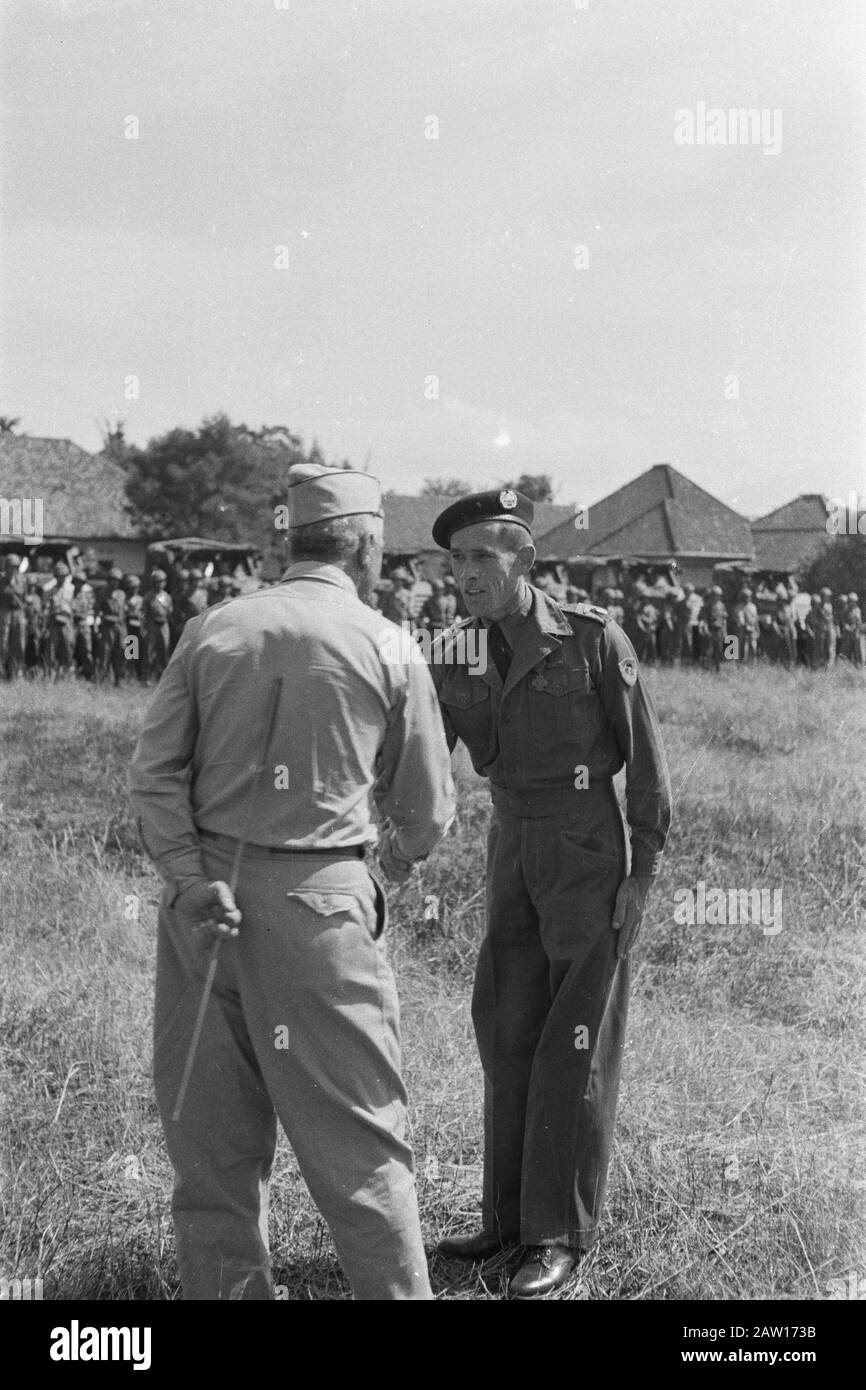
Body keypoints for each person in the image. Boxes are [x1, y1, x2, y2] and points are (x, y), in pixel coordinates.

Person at [129, 464, 455, 1301]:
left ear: (292, 539)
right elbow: (426, 809)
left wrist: (188, 876)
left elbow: (155, 774)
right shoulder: (387, 642)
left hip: (204, 908)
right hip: (322, 907)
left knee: (212, 1153)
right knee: (360, 1149)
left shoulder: (214, 629)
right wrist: (385, 869)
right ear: (369, 543)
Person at [426, 488, 671, 1298]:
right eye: (456, 560)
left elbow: (646, 765)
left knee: (573, 1039)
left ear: (524, 561)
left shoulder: (594, 639)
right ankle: (504, 1220)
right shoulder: (454, 652)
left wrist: (640, 874)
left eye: (482, 559)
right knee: (505, 1027)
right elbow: (418, 755)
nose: (466, 575)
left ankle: (557, 1234)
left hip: (585, 850)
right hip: (512, 848)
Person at [96, 568, 128, 685]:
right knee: (105, 652)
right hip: (107, 626)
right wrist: (96, 626)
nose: (115, 582)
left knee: (121, 651)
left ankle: (119, 679)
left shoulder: (122, 594)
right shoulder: (102, 593)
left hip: (120, 626)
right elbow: (97, 611)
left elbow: (124, 611)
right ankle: (101, 678)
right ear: (108, 580)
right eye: (112, 580)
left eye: (117, 580)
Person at [0, 553, 27, 679]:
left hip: (18, 613)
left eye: (15, 567)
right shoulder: (1, 580)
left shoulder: (22, 580)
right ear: (5, 567)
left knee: (18, 644)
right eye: (10, 566)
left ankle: (16, 672)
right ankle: (1, 671)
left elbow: (24, 598)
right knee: (3, 643)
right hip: (4, 612)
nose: (12, 569)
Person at [144, 569, 173, 679]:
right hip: (152, 625)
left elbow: (170, 612)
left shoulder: (167, 597)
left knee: (164, 650)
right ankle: (146, 675)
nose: (160, 584)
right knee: (149, 651)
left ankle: (161, 676)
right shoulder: (148, 596)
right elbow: (143, 612)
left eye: (162, 581)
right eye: (157, 581)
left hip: (164, 625)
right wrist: (145, 625)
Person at [125, 575, 146, 681]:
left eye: (136, 587)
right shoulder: (125, 599)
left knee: (139, 653)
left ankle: (139, 674)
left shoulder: (141, 600)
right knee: (130, 652)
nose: (134, 589)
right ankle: (129, 673)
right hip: (128, 627)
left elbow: (144, 614)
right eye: (132, 587)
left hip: (138, 628)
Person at [840, 592, 864, 667]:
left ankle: (858, 664)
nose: (852, 603)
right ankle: (847, 665)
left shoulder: (857, 610)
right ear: (848, 601)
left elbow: (859, 622)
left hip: (855, 632)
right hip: (847, 633)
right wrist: (846, 626)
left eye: (854, 602)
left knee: (857, 650)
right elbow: (843, 620)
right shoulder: (845, 610)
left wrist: (856, 628)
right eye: (851, 601)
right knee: (847, 649)